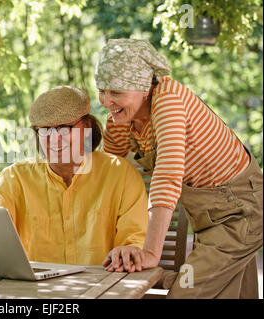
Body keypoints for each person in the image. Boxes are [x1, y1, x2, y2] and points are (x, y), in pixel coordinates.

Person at [95, 38, 263, 298]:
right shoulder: (119, 120)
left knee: (183, 292)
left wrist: (151, 254)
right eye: (102, 90)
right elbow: (106, 176)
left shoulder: (168, 102)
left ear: (144, 89)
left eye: (116, 93)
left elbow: (168, 175)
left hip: (241, 213)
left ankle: (169, 280)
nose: (106, 101)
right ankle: (170, 279)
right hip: (209, 220)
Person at [0, 85, 149, 267]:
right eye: (45, 129)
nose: (54, 138)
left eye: (64, 127)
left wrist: (130, 249)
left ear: (87, 126)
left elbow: (135, 238)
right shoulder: (14, 178)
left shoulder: (120, 175)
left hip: (103, 287)